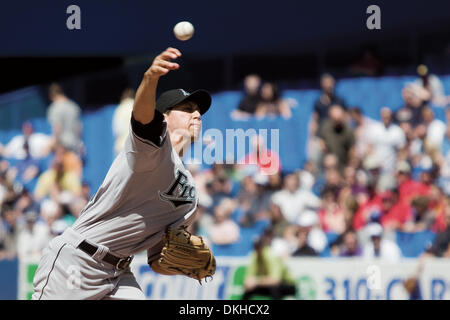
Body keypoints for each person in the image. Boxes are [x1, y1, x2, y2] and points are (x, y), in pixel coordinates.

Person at [33, 47, 214, 300]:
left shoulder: (191, 196)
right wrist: (150, 78)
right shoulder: (151, 150)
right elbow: (142, 118)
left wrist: (186, 264)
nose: (197, 114)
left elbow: (157, 258)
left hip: (118, 273)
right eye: (186, 108)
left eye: (198, 110)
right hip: (77, 261)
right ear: (164, 118)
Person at [242, 230, 296, 300]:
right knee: (248, 290)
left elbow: (276, 280)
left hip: (288, 284)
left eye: (258, 246)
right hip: (268, 284)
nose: (257, 249)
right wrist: (249, 282)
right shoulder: (254, 256)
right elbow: (248, 278)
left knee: (274, 289)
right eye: (255, 247)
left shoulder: (270, 255)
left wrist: (256, 281)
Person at [47, 83, 84, 155]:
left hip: (62, 149)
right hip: (75, 147)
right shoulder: (74, 106)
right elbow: (79, 128)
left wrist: (50, 147)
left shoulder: (54, 108)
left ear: (51, 95)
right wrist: (79, 144)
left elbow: (57, 128)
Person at [113, 88, 135, 155]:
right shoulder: (136, 106)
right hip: (135, 145)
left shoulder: (120, 108)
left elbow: (117, 129)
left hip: (122, 145)